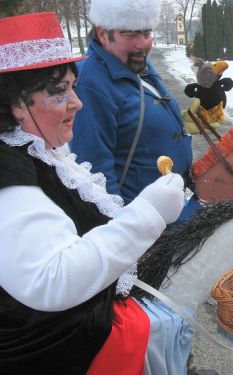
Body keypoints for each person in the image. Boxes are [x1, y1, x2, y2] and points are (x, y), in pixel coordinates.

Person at [0, 11, 188, 375]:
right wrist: (147, 214)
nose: (77, 102)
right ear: (16, 104)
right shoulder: (10, 173)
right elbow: (52, 279)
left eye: (73, 86)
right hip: (53, 354)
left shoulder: (41, 152)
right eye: (58, 91)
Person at [69, 0, 200, 223]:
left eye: (147, 33)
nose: (143, 44)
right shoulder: (89, 81)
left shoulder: (136, 64)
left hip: (180, 208)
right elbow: (94, 172)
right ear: (103, 34)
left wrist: (182, 123)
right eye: (131, 34)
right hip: (148, 226)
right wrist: (125, 232)